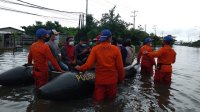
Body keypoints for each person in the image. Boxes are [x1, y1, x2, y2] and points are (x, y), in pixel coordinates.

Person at [75, 29, 125, 101]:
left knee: (98, 101)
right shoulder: (116, 49)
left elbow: (88, 65)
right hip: (112, 81)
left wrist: (79, 68)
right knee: (111, 101)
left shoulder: (95, 49)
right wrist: (122, 78)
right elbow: (120, 67)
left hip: (100, 81)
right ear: (109, 38)